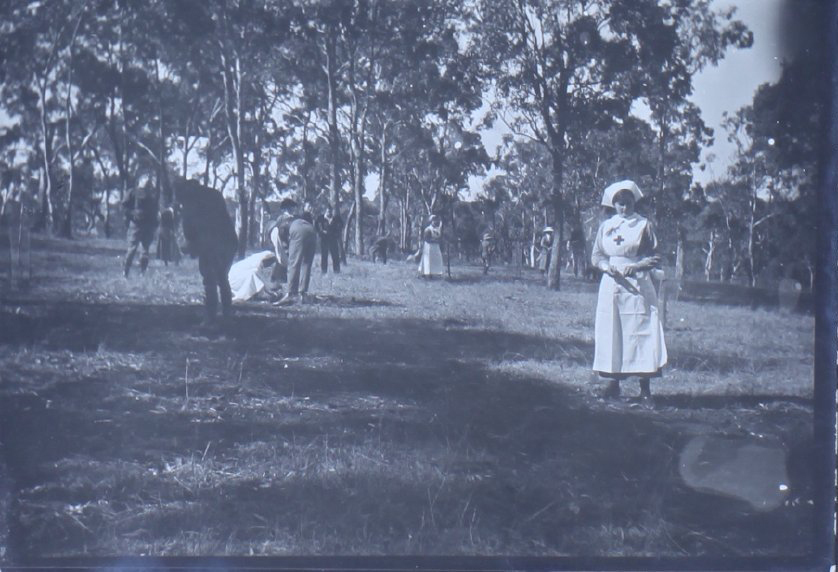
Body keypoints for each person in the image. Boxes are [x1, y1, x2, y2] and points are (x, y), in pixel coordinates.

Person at [591, 180, 667, 401]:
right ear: (613, 205)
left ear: (635, 202)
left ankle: (645, 389)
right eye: (620, 203)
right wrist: (606, 267)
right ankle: (613, 384)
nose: (625, 208)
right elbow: (596, 255)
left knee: (641, 331)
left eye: (628, 202)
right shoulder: (606, 226)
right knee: (613, 331)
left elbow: (655, 255)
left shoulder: (644, 225)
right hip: (612, 284)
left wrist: (634, 267)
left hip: (637, 284)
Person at [173, 177, 238, 325]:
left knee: (209, 280)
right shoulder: (214, 193)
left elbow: (188, 230)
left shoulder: (190, 201)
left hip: (210, 244)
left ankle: (210, 317)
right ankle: (227, 315)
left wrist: (191, 245)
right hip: (229, 241)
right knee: (223, 277)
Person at [275, 205, 317, 305]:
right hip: (312, 230)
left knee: (293, 263)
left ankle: (291, 294)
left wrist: (288, 254)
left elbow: (284, 244)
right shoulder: (295, 218)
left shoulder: (279, 226)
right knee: (306, 264)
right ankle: (303, 293)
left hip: (298, 230)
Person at [122, 183, 158, 277]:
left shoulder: (132, 192)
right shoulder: (151, 194)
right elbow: (155, 211)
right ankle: (142, 272)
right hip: (147, 224)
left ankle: (126, 272)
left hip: (136, 223)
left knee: (132, 248)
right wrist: (155, 225)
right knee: (145, 249)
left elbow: (124, 207)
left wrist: (131, 215)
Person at [315, 205, 342, 274]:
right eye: (327, 211)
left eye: (330, 211)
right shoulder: (320, 218)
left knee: (335, 255)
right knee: (324, 256)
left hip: (333, 239)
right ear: (325, 211)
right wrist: (321, 232)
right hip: (324, 239)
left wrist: (336, 233)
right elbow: (316, 227)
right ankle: (324, 271)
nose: (329, 213)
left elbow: (341, 226)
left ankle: (337, 271)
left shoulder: (336, 218)